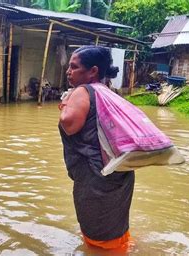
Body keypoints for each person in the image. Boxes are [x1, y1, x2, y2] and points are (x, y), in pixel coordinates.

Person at [58, 46, 135, 251]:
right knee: (116, 227)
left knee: (98, 238)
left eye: (74, 67)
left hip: (96, 177)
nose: (68, 71)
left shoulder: (84, 90)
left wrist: (66, 102)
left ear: (92, 71)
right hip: (120, 172)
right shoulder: (108, 92)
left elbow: (69, 123)